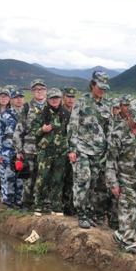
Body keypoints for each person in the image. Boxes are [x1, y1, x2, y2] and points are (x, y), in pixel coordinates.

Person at [106, 100, 136, 253]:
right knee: (129, 206)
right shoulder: (117, 133)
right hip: (124, 176)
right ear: (128, 116)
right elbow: (111, 160)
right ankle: (128, 242)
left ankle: (122, 233)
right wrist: (113, 183)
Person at [67, 71, 111, 228]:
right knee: (83, 180)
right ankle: (82, 213)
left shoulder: (107, 105)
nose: (102, 91)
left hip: (98, 151)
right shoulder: (82, 102)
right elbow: (72, 125)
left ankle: (89, 212)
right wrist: (72, 149)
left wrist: (108, 149)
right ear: (93, 85)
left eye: (105, 88)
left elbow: (109, 129)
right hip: (82, 149)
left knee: (93, 183)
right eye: (100, 87)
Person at [32, 88, 69, 215]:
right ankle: (38, 205)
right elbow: (33, 131)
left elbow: (69, 132)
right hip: (45, 151)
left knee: (58, 179)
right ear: (48, 100)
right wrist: (42, 129)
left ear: (60, 99)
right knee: (42, 178)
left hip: (61, 152)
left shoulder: (65, 114)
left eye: (57, 98)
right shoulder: (42, 113)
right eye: (52, 98)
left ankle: (56, 206)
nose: (54, 100)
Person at [14, 79, 47, 209]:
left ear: (46, 91)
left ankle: (40, 204)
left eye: (41, 89)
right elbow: (18, 130)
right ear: (32, 91)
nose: (39, 92)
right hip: (29, 149)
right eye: (36, 89)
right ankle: (26, 204)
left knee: (43, 178)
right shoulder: (27, 107)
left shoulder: (50, 107)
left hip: (45, 150)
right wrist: (18, 150)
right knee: (28, 179)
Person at [0, 90, 25, 209]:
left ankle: (19, 200)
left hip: (22, 151)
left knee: (21, 177)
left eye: (21, 97)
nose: (19, 100)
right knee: (8, 177)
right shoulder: (5, 115)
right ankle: (8, 201)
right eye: (16, 97)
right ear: (11, 100)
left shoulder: (27, 114)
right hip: (7, 150)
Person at [61, 87, 77, 216]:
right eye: (68, 97)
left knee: (71, 179)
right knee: (59, 178)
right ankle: (57, 204)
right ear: (63, 97)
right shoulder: (59, 111)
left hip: (73, 150)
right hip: (60, 150)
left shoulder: (77, 113)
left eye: (73, 97)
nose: (71, 99)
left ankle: (69, 204)